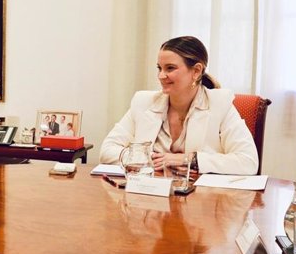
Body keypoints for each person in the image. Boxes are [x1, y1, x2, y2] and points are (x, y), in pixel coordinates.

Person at [99, 36, 258, 175]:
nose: (161, 76)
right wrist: (146, 160)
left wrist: (187, 159)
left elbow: (248, 161)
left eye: (170, 68)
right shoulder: (143, 102)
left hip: (201, 201)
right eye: (159, 68)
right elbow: (107, 150)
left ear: (196, 71)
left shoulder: (219, 104)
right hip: (150, 198)